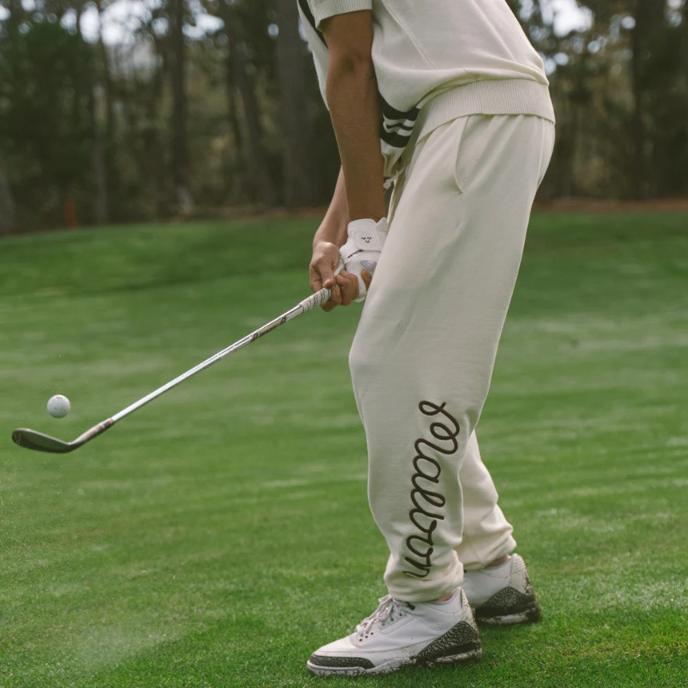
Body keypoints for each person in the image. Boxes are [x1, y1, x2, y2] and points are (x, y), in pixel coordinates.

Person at [299, 0, 555, 676]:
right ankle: (489, 568)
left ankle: (427, 601)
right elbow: (382, 106)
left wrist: (367, 232)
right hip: (481, 111)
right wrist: (341, 230)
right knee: (418, 361)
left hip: (472, 114)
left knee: (391, 362)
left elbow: (352, 67)